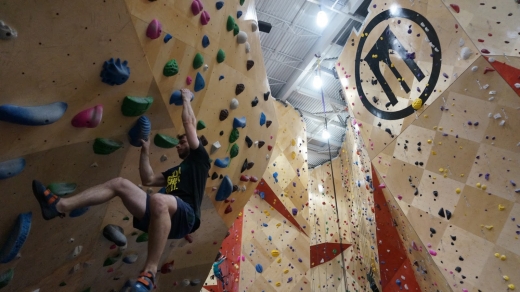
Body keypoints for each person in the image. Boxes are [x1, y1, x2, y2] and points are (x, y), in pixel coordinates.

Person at [31, 89, 210, 292]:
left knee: (160, 200)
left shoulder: (200, 160)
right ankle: (59, 206)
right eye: (179, 142)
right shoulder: (176, 171)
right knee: (120, 184)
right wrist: (145, 152)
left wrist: (186, 98)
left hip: (186, 218)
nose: (179, 144)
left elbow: (190, 124)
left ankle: (150, 272)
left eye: (183, 141)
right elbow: (148, 179)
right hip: (168, 212)